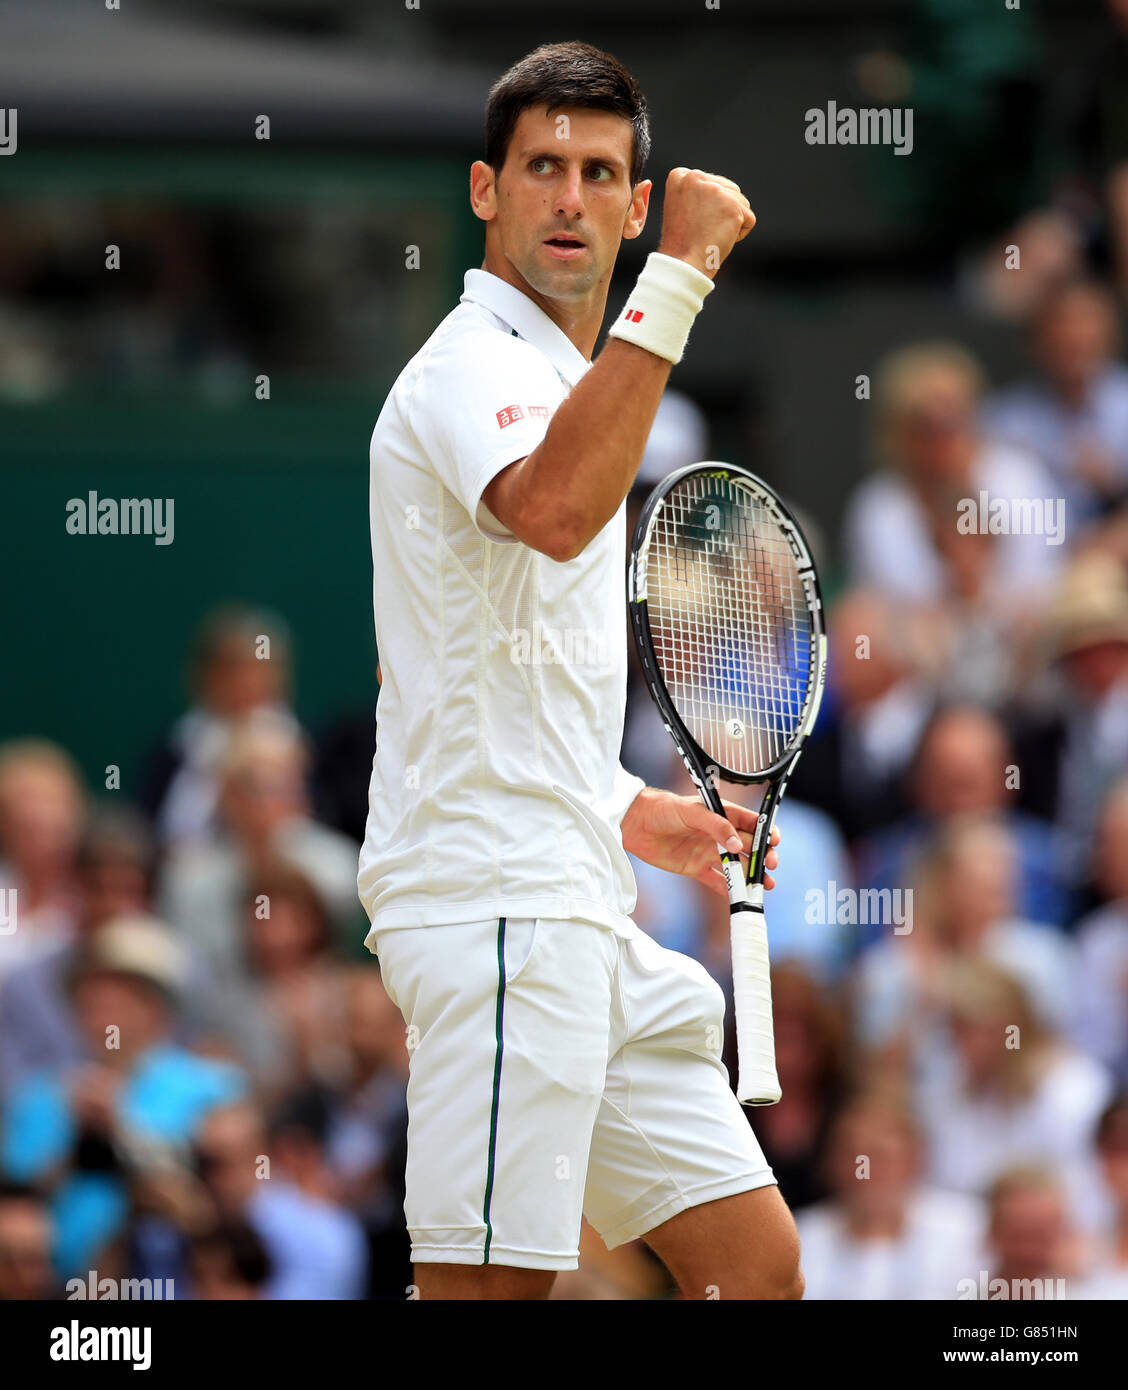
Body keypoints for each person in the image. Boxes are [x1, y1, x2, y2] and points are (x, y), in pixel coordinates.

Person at [357, 41, 796, 1301]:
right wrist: (684, 273)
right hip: (495, 909)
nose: (569, 197)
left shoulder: (570, 377)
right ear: (486, 191)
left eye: (600, 172)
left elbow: (493, 677)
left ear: (631, 200)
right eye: (541, 167)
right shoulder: (467, 366)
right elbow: (552, 507)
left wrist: (627, 808)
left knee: (753, 1272)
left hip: (580, 901)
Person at [796, 1091, 985, 1300]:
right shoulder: (799, 1239)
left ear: (914, 1160)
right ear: (830, 1163)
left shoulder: (971, 1231)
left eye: (879, 1156)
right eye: (851, 1157)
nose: (864, 1171)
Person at [984, 277, 1128, 524]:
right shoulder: (1004, 421)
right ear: (1033, 340)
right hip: (1041, 551)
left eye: (1087, 322)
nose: (1075, 335)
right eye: (1061, 325)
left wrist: (1115, 481)